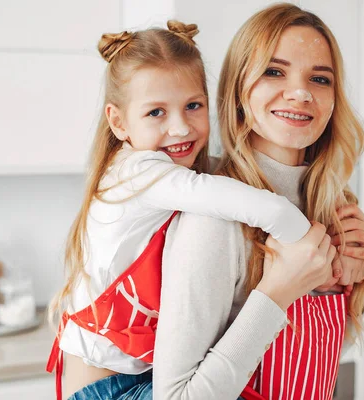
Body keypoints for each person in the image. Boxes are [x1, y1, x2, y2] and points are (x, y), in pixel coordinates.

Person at [45, 18, 332, 400]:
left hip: (134, 375)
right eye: (156, 113)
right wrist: (308, 250)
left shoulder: (173, 173)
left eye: (192, 106)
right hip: (106, 390)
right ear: (118, 122)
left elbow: (219, 179)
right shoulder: (137, 171)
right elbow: (235, 197)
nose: (180, 128)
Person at [153, 4, 364, 400]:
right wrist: (278, 291)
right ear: (239, 89)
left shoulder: (331, 204)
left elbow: (318, 359)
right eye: (274, 71)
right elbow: (174, 397)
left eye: (320, 78)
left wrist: (360, 279)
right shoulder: (217, 217)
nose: (300, 93)